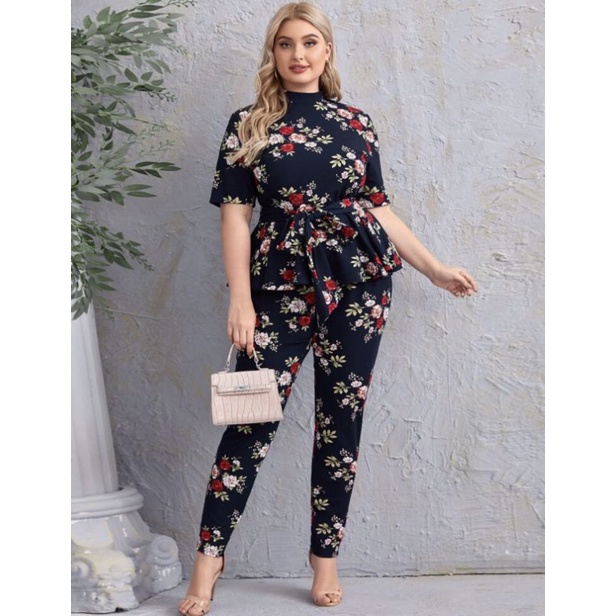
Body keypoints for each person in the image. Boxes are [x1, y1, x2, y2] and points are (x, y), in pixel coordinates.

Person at [179, 2, 477, 614]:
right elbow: (234, 216)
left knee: (341, 423)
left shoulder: (356, 123)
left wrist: (434, 268)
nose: (299, 54)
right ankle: (207, 563)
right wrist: (241, 299)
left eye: (310, 42)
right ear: (273, 52)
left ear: (327, 51)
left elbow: (378, 208)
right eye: (286, 43)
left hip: (360, 285)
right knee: (250, 421)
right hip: (278, 288)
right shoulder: (248, 124)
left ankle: (325, 559)